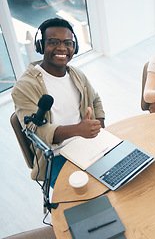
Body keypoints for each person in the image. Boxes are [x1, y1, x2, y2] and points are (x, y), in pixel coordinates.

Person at [11, 18, 105, 187]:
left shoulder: (75, 73)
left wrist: (99, 128)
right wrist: (77, 130)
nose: (62, 48)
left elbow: (95, 98)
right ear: (40, 46)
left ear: (74, 47)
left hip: (87, 145)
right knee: (90, 196)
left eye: (68, 43)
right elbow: (36, 131)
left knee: (122, 176)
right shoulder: (24, 87)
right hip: (56, 157)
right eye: (54, 42)